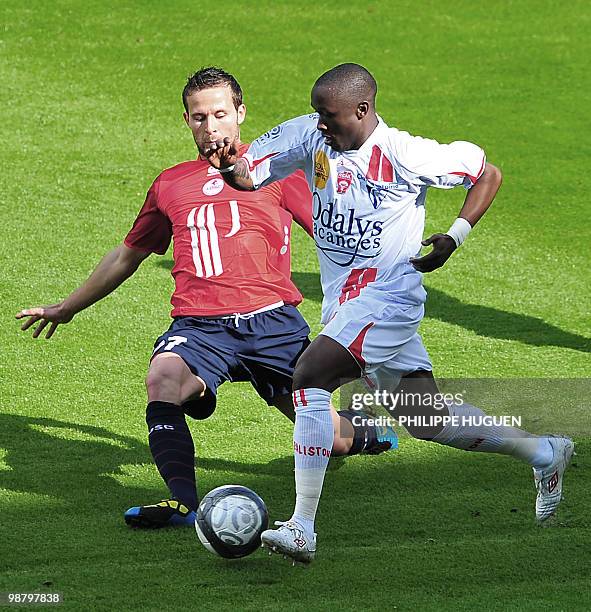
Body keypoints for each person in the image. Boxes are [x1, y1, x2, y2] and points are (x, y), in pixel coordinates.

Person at [205, 63, 575, 564]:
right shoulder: (306, 135)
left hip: (390, 299)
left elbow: (487, 172)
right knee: (427, 419)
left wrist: (454, 236)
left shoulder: (405, 154)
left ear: (362, 110)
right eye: (316, 113)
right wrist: (232, 168)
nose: (320, 124)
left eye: (329, 116)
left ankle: (302, 528)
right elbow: (251, 176)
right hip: (346, 307)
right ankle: (547, 453)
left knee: (309, 377)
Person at [15, 67, 397, 529]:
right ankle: (181, 502)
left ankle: (363, 435)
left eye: (219, 114)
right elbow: (127, 255)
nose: (210, 127)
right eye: (199, 118)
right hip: (200, 328)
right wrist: (66, 308)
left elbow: (335, 235)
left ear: (240, 113)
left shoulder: (278, 170)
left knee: (330, 435)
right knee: (163, 380)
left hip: (273, 324)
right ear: (187, 121)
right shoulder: (170, 183)